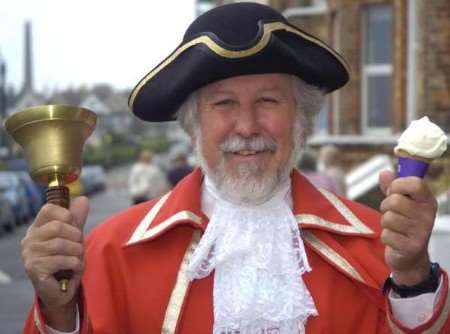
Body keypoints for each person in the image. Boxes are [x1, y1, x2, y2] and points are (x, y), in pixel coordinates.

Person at [22, 3, 449, 334]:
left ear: (301, 119)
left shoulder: (379, 245)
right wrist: (58, 308)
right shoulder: (112, 252)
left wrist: (412, 276)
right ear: (193, 126)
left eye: (268, 101)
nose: (246, 127)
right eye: (223, 103)